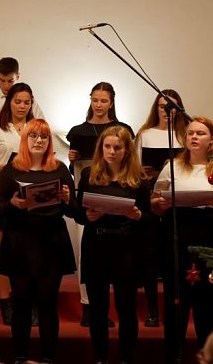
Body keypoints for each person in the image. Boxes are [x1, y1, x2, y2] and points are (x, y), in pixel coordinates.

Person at [0, 118, 77, 364]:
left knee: (47, 304)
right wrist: (12, 204)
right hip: (19, 240)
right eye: (34, 136)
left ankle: (48, 358)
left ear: (49, 141)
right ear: (25, 140)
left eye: (43, 137)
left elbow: (75, 211)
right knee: (21, 304)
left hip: (51, 241)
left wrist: (66, 200)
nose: (39, 141)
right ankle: (20, 356)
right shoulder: (12, 169)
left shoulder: (60, 169)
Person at [76, 126, 149, 364]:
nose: (111, 151)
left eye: (117, 147)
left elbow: (150, 219)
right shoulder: (89, 174)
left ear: (127, 150)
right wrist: (87, 217)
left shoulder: (138, 180)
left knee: (126, 307)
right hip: (96, 243)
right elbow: (78, 212)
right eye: (107, 146)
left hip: (126, 246)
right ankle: (101, 358)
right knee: (97, 308)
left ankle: (126, 358)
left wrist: (138, 216)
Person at [66, 81, 133, 325]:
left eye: (104, 100)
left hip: (118, 194)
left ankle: (110, 306)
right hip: (89, 189)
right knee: (86, 253)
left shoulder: (122, 130)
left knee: (117, 257)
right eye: (95, 100)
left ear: (112, 102)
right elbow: (76, 171)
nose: (99, 104)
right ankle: (88, 305)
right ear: (90, 100)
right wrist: (70, 157)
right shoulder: (77, 130)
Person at [152, 117, 213, 364]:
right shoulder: (173, 166)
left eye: (200, 133)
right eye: (190, 133)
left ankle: (208, 355)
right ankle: (174, 356)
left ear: (212, 141)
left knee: (208, 305)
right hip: (178, 238)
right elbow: (154, 204)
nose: (194, 137)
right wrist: (160, 203)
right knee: (176, 302)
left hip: (210, 240)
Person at [0, 82, 38, 305]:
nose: (22, 106)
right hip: (5, 191)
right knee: (5, 248)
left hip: (31, 190)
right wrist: (6, 167)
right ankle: (6, 301)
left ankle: (28, 300)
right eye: (17, 101)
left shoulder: (36, 127)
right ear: (9, 102)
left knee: (29, 248)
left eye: (27, 102)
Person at [134, 89, 187, 328]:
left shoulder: (186, 135)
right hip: (150, 198)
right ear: (155, 109)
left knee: (174, 256)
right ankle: (153, 309)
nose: (166, 112)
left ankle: (176, 308)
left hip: (179, 201)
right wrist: (143, 174)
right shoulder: (145, 134)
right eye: (161, 106)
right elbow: (132, 169)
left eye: (171, 107)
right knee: (149, 256)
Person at [0, 57, 44, 134]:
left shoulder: (29, 101)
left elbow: (41, 125)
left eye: (10, 81)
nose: (6, 85)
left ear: (17, 76)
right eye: (2, 80)